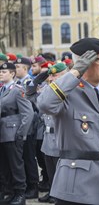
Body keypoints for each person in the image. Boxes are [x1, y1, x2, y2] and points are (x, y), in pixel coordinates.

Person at [37, 37, 99, 205]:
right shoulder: (67, 92)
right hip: (77, 185)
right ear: (84, 63)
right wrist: (75, 72)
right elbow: (45, 103)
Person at [26, 62, 68, 203]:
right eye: (50, 76)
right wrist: (39, 78)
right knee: (51, 174)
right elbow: (30, 96)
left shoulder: (70, 91)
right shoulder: (47, 91)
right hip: (48, 140)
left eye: (55, 75)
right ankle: (53, 194)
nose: (51, 79)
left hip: (62, 139)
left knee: (62, 178)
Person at [0, 62, 34, 205]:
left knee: (16, 165)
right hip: (2, 133)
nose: (1, 74)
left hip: (13, 133)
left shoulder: (17, 89)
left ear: (12, 74)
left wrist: (21, 134)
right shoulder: (2, 90)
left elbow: (28, 113)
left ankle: (20, 194)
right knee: (4, 165)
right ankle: (9, 192)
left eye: (4, 72)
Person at [14, 57, 41, 199]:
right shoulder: (16, 83)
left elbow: (31, 105)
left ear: (25, 68)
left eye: (18, 67)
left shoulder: (29, 82)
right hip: (20, 124)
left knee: (29, 156)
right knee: (22, 156)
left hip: (29, 124)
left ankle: (33, 186)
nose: (15, 69)